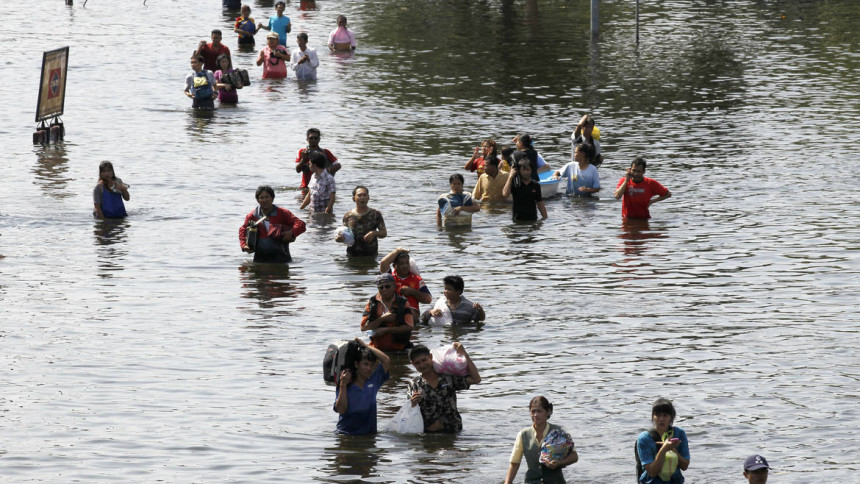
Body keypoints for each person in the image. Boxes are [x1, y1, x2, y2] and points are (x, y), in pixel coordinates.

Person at [406, 342, 481, 433]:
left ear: (430, 357)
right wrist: (413, 403)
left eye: (424, 360)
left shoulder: (448, 378)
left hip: (453, 430)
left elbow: (476, 379)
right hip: (429, 433)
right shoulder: (414, 384)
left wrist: (465, 355)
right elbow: (410, 411)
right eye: (417, 363)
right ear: (413, 364)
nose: (422, 365)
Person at [503, 396, 579, 484]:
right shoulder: (523, 435)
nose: (535, 415)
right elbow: (514, 464)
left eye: (539, 411)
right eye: (533, 411)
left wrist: (559, 463)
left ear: (548, 412)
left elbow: (574, 457)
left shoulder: (559, 433)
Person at [333, 338, 391, 435]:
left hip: (369, 435)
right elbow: (341, 410)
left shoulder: (374, 381)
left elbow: (386, 360)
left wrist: (367, 346)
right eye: (365, 364)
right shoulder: (346, 383)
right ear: (356, 364)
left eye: (372, 365)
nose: (369, 368)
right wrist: (343, 384)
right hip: (346, 435)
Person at [238, 185, 306, 263]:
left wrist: (291, 233)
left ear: (272, 198)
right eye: (261, 198)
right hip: (260, 259)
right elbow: (242, 230)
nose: (264, 200)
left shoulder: (282, 213)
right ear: (257, 200)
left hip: (281, 258)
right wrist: (244, 245)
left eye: (267, 197)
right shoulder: (252, 216)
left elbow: (300, 224)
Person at [635, 398, 690, 484]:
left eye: (665, 415)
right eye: (658, 415)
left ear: (671, 417)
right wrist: (664, 449)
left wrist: (673, 450)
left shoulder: (679, 434)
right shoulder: (645, 438)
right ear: (653, 417)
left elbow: (685, 466)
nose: (661, 419)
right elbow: (652, 472)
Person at [361, 273, 414, 351]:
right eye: (381, 288)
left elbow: (409, 326)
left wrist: (387, 330)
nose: (384, 289)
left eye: (387, 286)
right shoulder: (372, 303)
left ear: (394, 287)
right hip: (377, 348)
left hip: (400, 348)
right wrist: (382, 319)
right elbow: (364, 328)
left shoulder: (403, 302)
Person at [379, 248, 432, 319]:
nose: (405, 266)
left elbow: (428, 299)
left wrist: (412, 291)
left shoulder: (417, 279)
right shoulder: (389, 278)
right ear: (395, 266)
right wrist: (397, 251)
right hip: (392, 313)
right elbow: (383, 263)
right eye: (402, 263)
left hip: (412, 314)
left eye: (407, 263)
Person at [337, 186, 387, 257]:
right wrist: (339, 239)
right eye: (359, 195)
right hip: (352, 255)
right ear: (354, 198)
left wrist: (374, 233)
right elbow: (344, 235)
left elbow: (384, 233)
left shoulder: (376, 214)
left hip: (371, 255)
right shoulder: (348, 215)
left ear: (368, 197)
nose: (362, 198)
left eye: (364, 195)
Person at [419, 275, 485, 326]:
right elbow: (422, 318)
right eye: (445, 288)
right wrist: (431, 312)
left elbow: (480, 319)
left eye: (449, 289)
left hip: (461, 332)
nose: (445, 291)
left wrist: (480, 310)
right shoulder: (440, 304)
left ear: (458, 292)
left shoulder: (469, 306)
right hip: (445, 333)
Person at [502, 154, 548, 221]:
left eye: (528, 170)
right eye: (523, 170)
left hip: (532, 219)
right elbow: (505, 194)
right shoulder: (515, 183)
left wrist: (545, 218)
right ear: (519, 171)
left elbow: (540, 203)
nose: (526, 172)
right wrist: (510, 177)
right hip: (517, 220)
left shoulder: (535, 185)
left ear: (531, 170)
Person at [295, 128, 339, 194]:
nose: (313, 140)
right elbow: (298, 170)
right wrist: (303, 159)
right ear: (307, 139)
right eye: (311, 138)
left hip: (322, 186)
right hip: (306, 187)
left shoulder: (325, 152)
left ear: (319, 139)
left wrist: (326, 171)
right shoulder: (302, 152)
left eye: (315, 138)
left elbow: (338, 165)